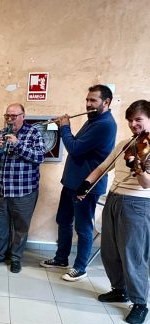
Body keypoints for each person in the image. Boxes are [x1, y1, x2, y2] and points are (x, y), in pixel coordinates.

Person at [77, 100, 150, 324]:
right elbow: (103, 167)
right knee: (110, 249)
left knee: (133, 254)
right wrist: (86, 184)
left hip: (138, 204)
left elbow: (146, 183)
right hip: (114, 199)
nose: (133, 125)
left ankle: (140, 303)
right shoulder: (124, 144)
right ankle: (120, 289)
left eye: (138, 120)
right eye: (130, 121)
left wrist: (137, 164)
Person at [40, 85, 117, 281]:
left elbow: (74, 148)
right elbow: (77, 143)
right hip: (72, 182)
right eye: (87, 100)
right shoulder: (93, 120)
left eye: (93, 101)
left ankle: (80, 267)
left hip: (86, 186)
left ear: (106, 103)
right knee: (63, 220)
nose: (88, 104)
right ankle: (61, 259)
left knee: (83, 228)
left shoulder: (105, 124)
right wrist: (65, 129)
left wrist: (64, 126)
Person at [0, 103, 45, 273]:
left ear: (23, 116)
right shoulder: (1, 133)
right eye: (7, 117)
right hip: (1, 190)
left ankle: (16, 258)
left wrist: (18, 144)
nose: (10, 120)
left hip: (24, 191)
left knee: (21, 227)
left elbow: (40, 157)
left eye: (13, 116)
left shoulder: (34, 133)